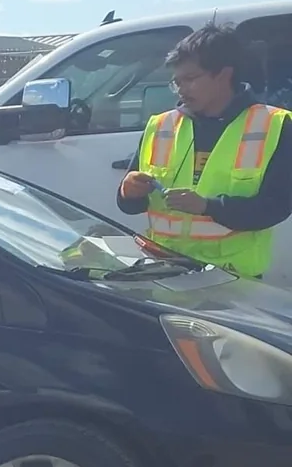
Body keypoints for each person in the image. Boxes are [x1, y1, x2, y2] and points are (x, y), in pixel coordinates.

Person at [119, 23, 292, 278]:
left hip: (233, 278)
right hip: (165, 270)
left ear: (224, 74)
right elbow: (131, 205)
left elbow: (275, 208)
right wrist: (128, 192)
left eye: (190, 79)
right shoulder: (162, 125)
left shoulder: (274, 125)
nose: (181, 89)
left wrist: (208, 206)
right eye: (176, 82)